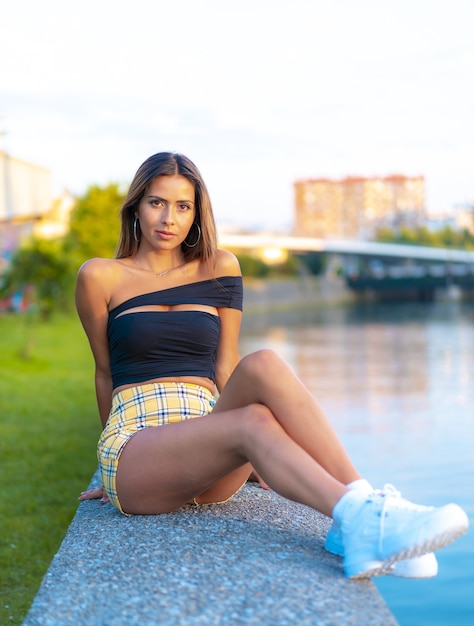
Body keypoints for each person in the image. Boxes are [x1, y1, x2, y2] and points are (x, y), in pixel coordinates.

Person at [76, 152, 468, 580]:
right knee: (253, 423)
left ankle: (359, 508)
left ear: (196, 214)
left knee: (262, 363)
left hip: (210, 442)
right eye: (157, 203)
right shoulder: (100, 277)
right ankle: (365, 521)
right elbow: (105, 372)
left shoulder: (220, 267)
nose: (169, 218)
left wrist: (263, 459)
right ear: (135, 206)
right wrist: (107, 464)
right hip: (141, 450)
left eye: (183, 206)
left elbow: (227, 366)